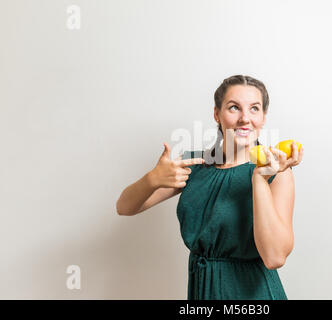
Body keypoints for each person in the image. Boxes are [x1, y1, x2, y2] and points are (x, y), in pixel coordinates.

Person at [116, 75, 304, 300]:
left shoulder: (277, 172)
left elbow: (275, 257)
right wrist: (152, 179)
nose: (245, 118)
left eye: (254, 109)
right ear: (217, 114)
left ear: (263, 117)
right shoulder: (195, 165)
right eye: (234, 107)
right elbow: (124, 207)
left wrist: (259, 178)